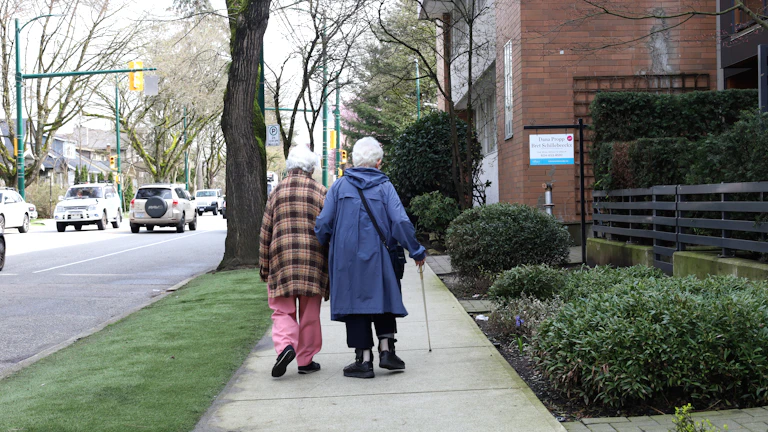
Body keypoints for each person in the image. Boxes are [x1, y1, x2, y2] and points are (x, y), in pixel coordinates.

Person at [315, 137, 426, 379]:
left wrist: (322, 242)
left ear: (355, 161)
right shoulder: (385, 186)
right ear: (378, 162)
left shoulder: (339, 187)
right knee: (383, 296)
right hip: (381, 254)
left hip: (346, 258)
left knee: (355, 303)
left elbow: (324, 222)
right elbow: (399, 221)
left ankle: (363, 360)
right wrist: (416, 250)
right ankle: (387, 351)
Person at [259, 144, 329, 378]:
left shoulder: (276, 192)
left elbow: (266, 231)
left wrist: (264, 267)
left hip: (281, 261)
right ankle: (305, 360)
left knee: (282, 310)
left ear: (290, 166)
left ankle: (286, 346)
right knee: (310, 313)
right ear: (311, 168)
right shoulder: (321, 191)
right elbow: (329, 229)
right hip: (312, 260)